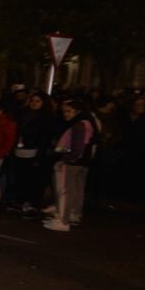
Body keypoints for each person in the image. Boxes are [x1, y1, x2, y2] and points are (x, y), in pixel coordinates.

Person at [44, 98, 95, 232]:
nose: (66, 114)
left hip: (72, 162)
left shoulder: (78, 125)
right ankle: (73, 214)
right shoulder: (88, 123)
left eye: (69, 111)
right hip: (82, 163)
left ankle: (62, 220)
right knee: (76, 190)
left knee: (64, 191)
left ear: (77, 111)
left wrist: (66, 159)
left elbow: (77, 147)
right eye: (64, 111)